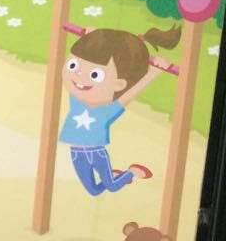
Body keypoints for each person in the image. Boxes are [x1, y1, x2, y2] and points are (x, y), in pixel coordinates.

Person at [59, 24, 181, 196]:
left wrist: (153, 72)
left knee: (112, 186)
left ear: (119, 84)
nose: (78, 75)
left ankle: (131, 173)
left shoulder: (108, 110)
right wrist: (91, 39)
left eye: (95, 75)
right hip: (76, 153)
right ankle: (115, 175)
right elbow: (82, 61)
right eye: (72, 65)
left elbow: (131, 93)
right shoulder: (77, 100)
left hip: (96, 153)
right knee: (93, 191)